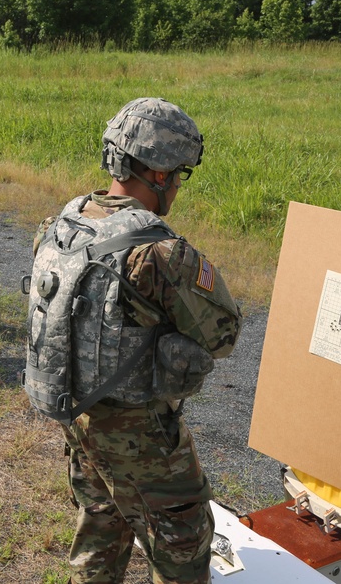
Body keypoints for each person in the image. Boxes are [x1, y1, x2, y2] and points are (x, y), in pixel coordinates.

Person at [26, 98, 242, 584]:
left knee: (102, 522)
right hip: (138, 432)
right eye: (180, 175)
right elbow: (225, 333)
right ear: (160, 175)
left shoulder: (61, 223)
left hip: (76, 412)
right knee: (182, 544)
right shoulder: (158, 252)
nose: (179, 186)